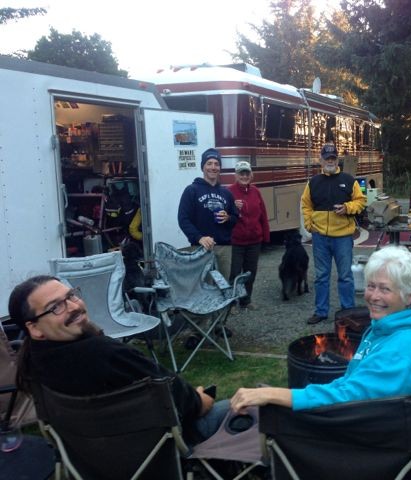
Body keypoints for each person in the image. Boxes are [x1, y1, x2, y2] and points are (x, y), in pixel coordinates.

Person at [11, 275, 229, 446]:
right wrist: (201, 399)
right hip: (157, 454)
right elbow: (190, 405)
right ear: (35, 328)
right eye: (55, 307)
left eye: (71, 296)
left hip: (90, 461)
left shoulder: (34, 362)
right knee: (240, 408)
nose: (74, 307)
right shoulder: (106, 354)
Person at [230, 245, 411, 424]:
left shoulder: (404, 346)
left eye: (385, 289)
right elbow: (350, 383)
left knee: (253, 420)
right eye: (371, 286)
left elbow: (352, 398)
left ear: (409, 296)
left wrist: (276, 394)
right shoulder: (383, 329)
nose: (374, 296)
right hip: (368, 424)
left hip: (379, 442)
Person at [301, 143, 366, 325]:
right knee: (321, 277)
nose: (330, 161)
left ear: (338, 160)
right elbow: (306, 205)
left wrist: (347, 207)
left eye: (333, 158)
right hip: (320, 237)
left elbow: (361, 201)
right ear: (321, 160)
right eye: (327, 158)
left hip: (343, 237)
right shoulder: (313, 182)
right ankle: (321, 311)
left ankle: (348, 311)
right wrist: (309, 225)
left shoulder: (349, 180)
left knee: (345, 276)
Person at [178, 148, 238, 279]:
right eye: (209, 163)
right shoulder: (191, 190)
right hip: (200, 248)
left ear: (220, 168)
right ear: (203, 167)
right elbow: (183, 219)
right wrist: (199, 238)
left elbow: (235, 218)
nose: (213, 167)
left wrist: (228, 218)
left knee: (223, 286)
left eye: (216, 164)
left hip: (224, 249)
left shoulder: (226, 193)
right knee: (202, 286)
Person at [228, 161, 270, 312]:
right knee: (233, 273)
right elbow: (223, 215)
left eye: (247, 173)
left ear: (251, 175)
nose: (244, 176)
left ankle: (246, 300)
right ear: (236, 175)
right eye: (241, 173)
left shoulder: (256, 191)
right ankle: (231, 303)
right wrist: (232, 206)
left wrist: (265, 236)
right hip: (235, 241)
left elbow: (263, 215)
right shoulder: (229, 192)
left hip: (254, 241)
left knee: (250, 273)